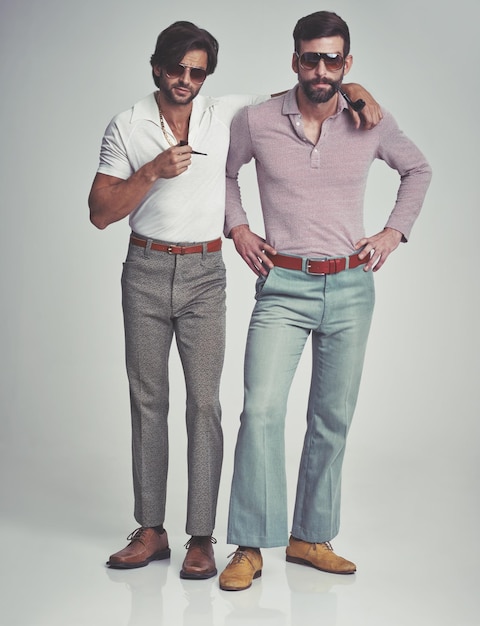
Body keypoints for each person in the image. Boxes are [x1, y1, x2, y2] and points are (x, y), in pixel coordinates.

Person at [88, 19, 382, 581]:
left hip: (204, 273)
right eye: (177, 69)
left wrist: (356, 90)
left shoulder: (226, 112)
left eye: (197, 72)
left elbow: (302, 93)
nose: (187, 80)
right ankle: (151, 529)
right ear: (157, 68)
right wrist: (152, 171)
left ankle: (202, 537)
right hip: (145, 268)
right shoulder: (127, 125)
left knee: (205, 405)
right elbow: (100, 211)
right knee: (148, 401)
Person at [219, 10, 432, 592]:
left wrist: (394, 232)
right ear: (294, 60)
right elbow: (222, 173)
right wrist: (237, 227)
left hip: (350, 287)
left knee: (331, 418)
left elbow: (417, 169)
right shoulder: (257, 120)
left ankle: (311, 537)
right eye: (310, 57)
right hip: (282, 285)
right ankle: (249, 544)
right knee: (261, 410)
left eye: (332, 58)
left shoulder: (370, 121)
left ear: (347, 63)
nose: (321, 68)